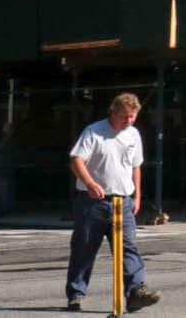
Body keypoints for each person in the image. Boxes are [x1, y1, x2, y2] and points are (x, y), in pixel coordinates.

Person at [66, 93, 160, 312]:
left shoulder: (133, 135)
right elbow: (76, 160)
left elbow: (135, 165)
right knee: (84, 247)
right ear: (113, 112)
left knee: (129, 247)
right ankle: (76, 294)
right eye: (125, 116)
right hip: (93, 202)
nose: (129, 121)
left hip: (123, 201)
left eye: (133, 117)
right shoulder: (94, 131)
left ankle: (137, 291)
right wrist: (89, 183)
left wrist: (136, 196)